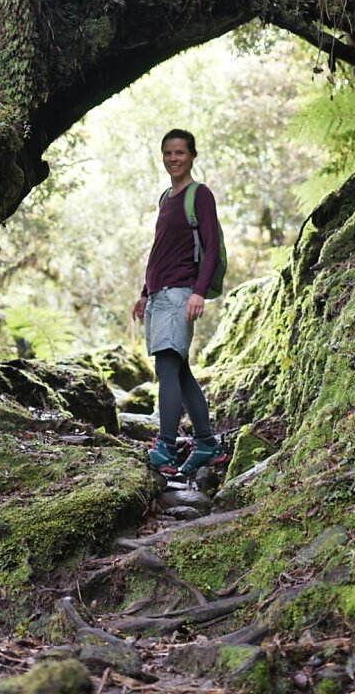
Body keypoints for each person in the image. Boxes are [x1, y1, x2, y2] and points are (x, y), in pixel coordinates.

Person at [132, 128, 226, 478]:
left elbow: (212, 246)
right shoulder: (166, 198)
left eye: (181, 153)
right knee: (179, 369)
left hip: (181, 292)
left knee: (167, 368)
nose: (174, 159)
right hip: (159, 294)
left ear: (192, 156)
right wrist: (144, 293)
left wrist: (199, 291)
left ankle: (166, 448)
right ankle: (206, 444)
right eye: (168, 153)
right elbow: (160, 251)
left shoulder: (199, 195)